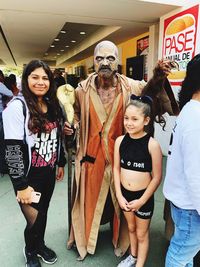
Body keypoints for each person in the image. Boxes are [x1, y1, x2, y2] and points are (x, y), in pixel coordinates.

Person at [64, 40, 178, 260]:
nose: (105, 62)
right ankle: (84, 241)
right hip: (91, 160)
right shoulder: (81, 90)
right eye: (99, 58)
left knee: (123, 204)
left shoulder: (131, 86)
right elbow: (75, 115)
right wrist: (72, 126)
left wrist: (157, 76)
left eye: (110, 58)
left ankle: (125, 244)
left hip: (123, 160)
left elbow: (149, 94)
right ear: (93, 62)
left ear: (117, 61)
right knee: (88, 203)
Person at [3, 60, 66, 267]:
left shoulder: (52, 104)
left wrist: (61, 162)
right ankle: (30, 250)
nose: (41, 82)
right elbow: (12, 151)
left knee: (44, 212)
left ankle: (40, 245)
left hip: (47, 171)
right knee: (34, 219)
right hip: (28, 176)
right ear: (26, 79)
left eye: (45, 78)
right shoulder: (17, 107)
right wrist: (20, 185)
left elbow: (57, 137)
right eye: (35, 77)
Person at [114, 95, 162, 267]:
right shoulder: (120, 141)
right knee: (131, 228)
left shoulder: (152, 145)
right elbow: (116, 169)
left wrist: (142, 200)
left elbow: (157, 177)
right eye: (126, 118)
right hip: (125, 196)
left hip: (143, 197)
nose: (129, 123)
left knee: (142, 233)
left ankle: (139, 265)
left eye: (135, 119)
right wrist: (119, 196)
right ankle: (133, 257)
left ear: (146, 120)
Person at [163, 53, 200, 267]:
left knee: (184, 255)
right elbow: (196, 173)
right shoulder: (196, 117)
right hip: (191, 207)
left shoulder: (189, 109)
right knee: (179, 255)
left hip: (183, 202)